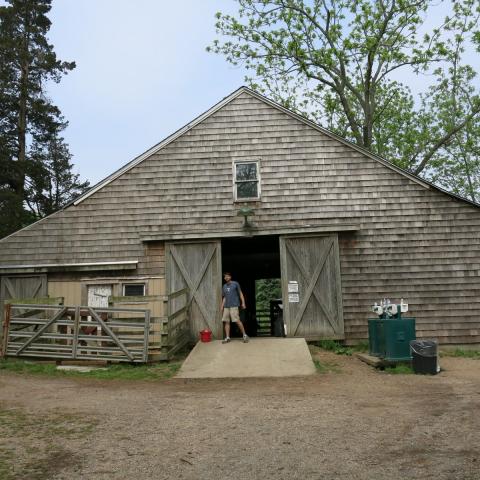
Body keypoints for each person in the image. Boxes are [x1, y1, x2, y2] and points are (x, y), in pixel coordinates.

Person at [221, 272, 249, 343]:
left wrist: (243, 303)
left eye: (227, 276)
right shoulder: (224, 286)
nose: (226, 278)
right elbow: (224, 297)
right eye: (225, 277)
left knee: (237, 320)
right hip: (226, 306)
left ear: (230, 277)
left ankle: (244, 335)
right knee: (226, 321)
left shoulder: (235, 284)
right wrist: (222, 306)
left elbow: (240, 293)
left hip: (234, 305)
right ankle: (227, 337)